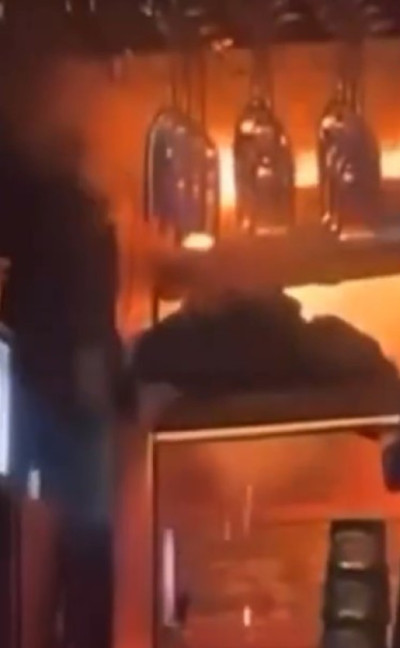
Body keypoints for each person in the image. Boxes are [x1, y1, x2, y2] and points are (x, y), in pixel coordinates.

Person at [0, 13, 119, 648]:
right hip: (51, 402)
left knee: (65, 545)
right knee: (51, 540)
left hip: (64, 402)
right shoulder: (33, 189)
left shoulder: (64, 190)